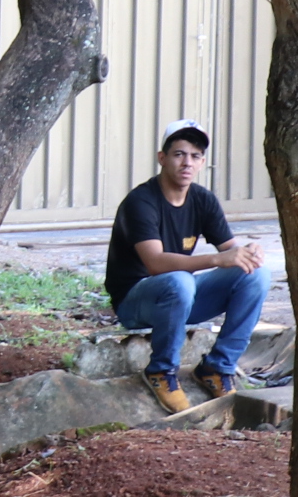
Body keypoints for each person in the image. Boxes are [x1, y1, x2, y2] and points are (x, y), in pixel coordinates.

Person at [104, 121, 265, 413]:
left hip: (180, 298)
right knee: (179, 280)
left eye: (194, 155)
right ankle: (161, 371)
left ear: (202, 162)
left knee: (255, 275)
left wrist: (247, 253)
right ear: (161, 158)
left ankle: (217, 367)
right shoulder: (140, 202)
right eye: (179, 154)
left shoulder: (202, 199)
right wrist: (216, 259)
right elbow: (155, 263)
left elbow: (230, 250)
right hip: (136, 302)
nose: (186, 162)